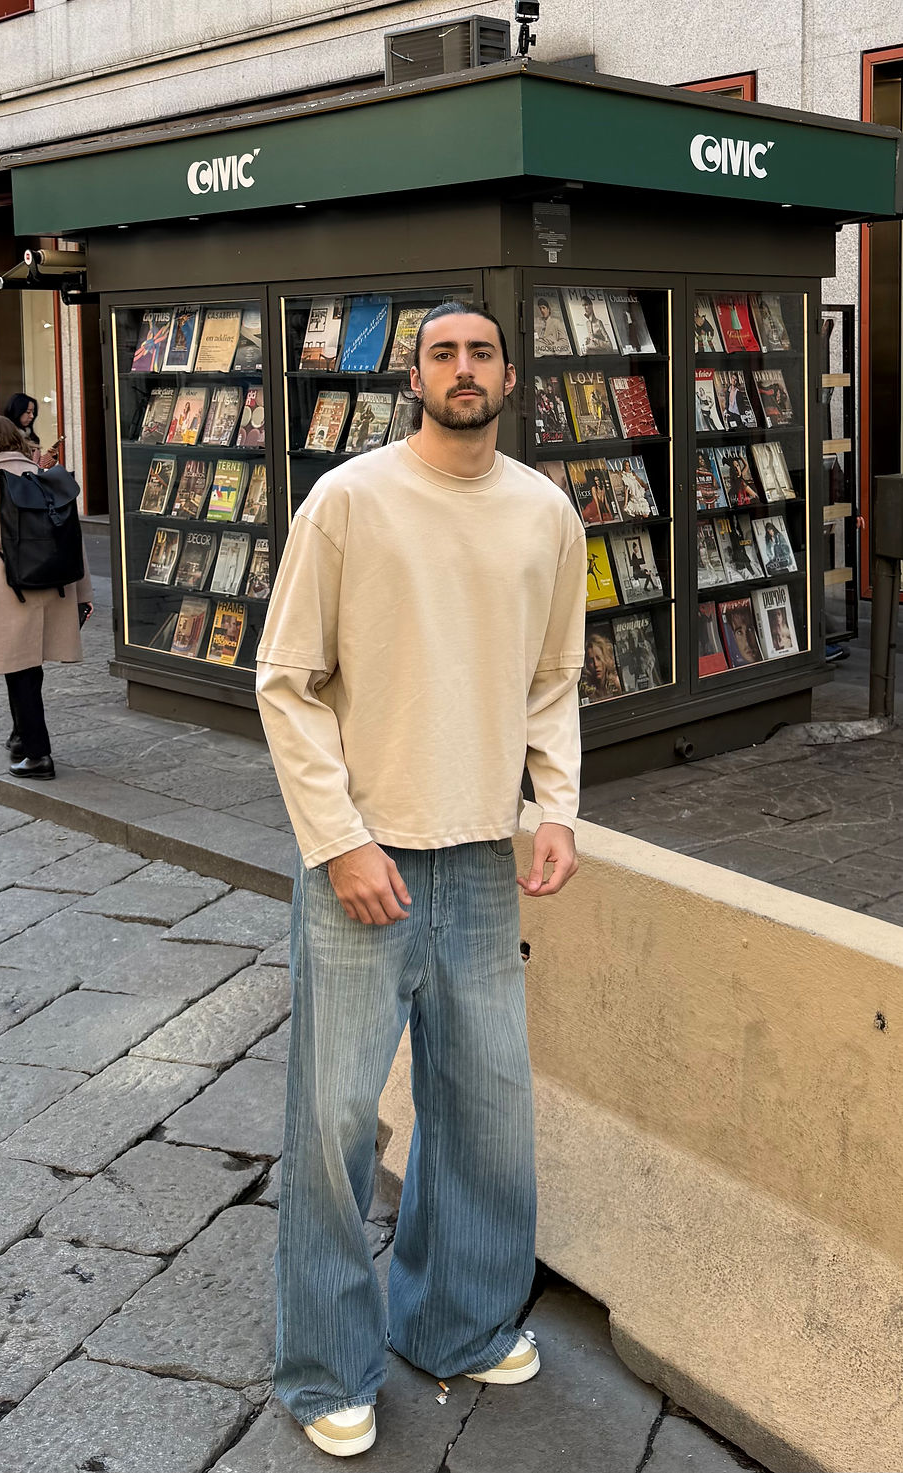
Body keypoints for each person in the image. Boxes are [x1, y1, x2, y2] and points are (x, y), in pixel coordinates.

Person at [255, 302, 586, 1459]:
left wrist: (556, 807)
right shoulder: (347, 501)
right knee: (334, 1122)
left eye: (479, 352)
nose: (461, 368)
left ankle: (459, 1319)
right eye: (441, 353)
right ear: (413, 378)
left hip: (483, 856)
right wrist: (338, 841)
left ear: (509, 376)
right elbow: (285, 680)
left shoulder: (545, 513)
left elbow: (553, 678)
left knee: (486, 1108)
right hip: (365, 855)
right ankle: (323, 1369)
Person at [0, 416, 92, 780]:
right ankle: (20, 736)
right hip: (55, 586)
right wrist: (83, 595)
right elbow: (74, 541)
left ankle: (38, 754)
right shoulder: (47, 478)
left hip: (10, 592)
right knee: (29, 668)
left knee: (19, 671)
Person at [0, 392, 58, 469]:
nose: (31, 416)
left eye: (33, 412)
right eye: (28, 412)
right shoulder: (6, 438)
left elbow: (38, 465)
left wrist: (51, 456)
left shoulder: (30, 436)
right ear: (17, 411)